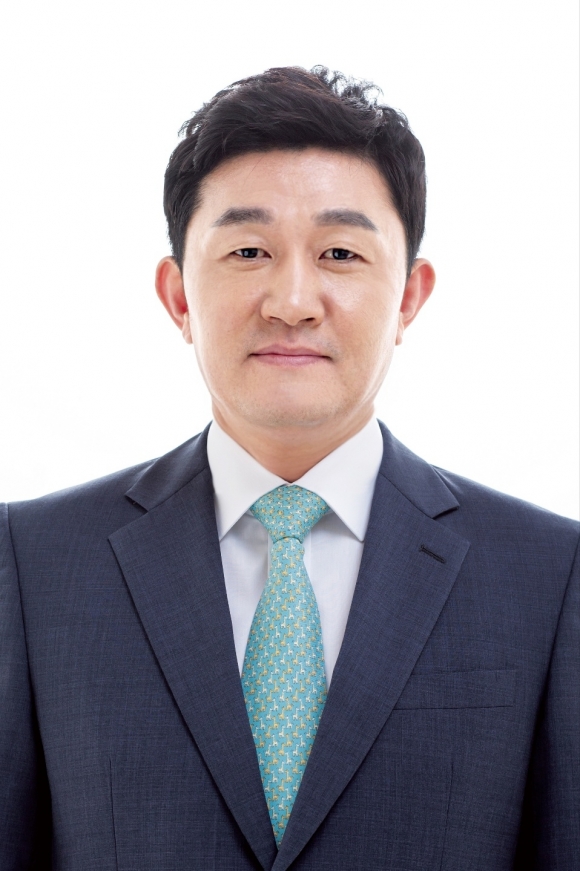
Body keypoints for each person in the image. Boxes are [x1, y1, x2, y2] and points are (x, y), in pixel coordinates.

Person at [0, 66, 578, 871]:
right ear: (178, 295)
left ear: (409, 297)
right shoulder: (34, 562)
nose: (292, 301)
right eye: (249, 250)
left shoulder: (549, 574)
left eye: (340, 252)